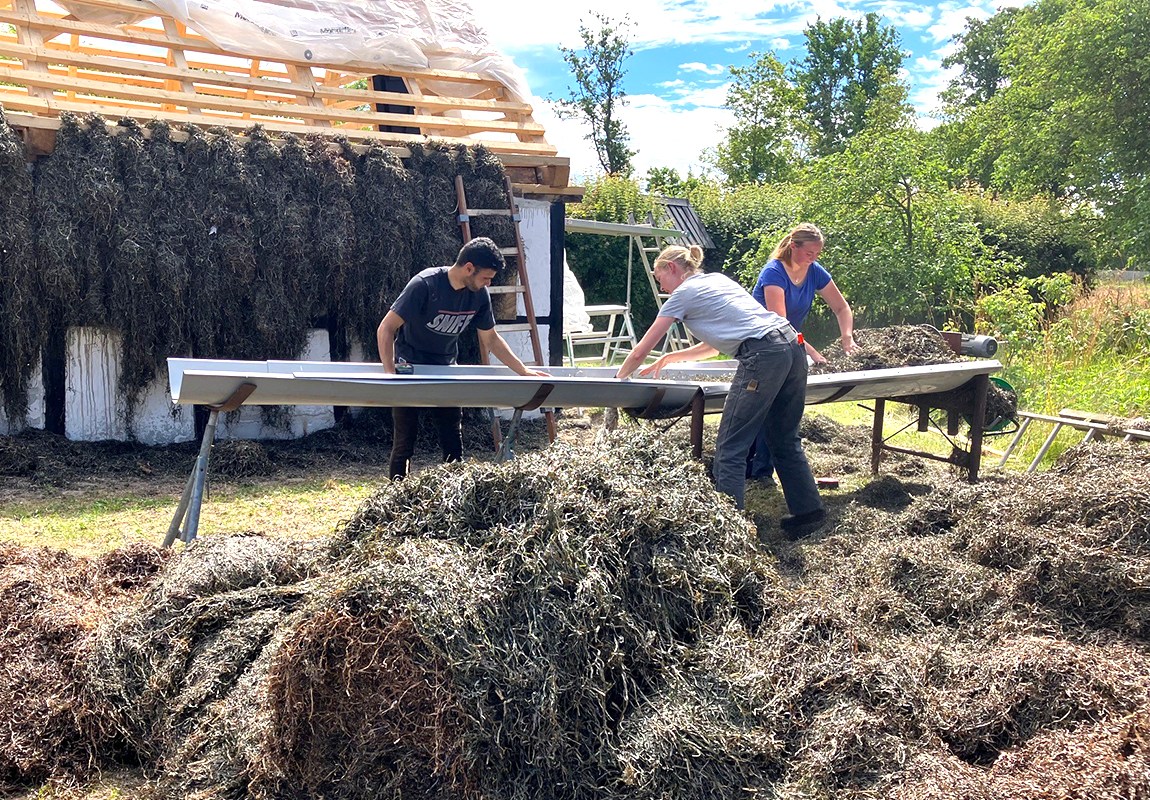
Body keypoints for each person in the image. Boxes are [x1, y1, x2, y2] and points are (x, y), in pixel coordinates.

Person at [614, 244, 825, 533]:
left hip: (763, 354)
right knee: (784, 437)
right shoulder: (717, 280)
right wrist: (669, 357)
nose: (659, 283)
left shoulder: (681, 295)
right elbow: (712, 348)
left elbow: (640, 351)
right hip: (792, 345)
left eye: (658, 275)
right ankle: (809, 514)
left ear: (672, 268)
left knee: (730, 447)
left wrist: (617, 382)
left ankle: (730, 532)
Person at [377, 236, 548, 479]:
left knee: (452, 438)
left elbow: (490, 339)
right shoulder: (425, 285)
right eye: (486, 277)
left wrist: (523, 371)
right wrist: (390, 374)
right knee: (405, 439)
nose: (488, 284)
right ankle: (395, 495)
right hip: (410, 367)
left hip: (446, 369)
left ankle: (454, 497)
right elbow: (386, 328)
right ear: (468, 268)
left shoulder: (478, 295)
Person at [747, 223, 855, 484]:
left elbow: (841, 308)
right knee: (764, 404)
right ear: (794, 246)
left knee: (781, 406)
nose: (814, 259)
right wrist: (814, 353)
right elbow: (780, 324)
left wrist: (847, 338)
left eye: (818, 254)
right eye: (810, 254)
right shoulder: (774, 273)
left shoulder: (814, 272)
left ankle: (760, 468)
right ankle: (756, 470)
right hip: (761, 345)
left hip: (790, 345)